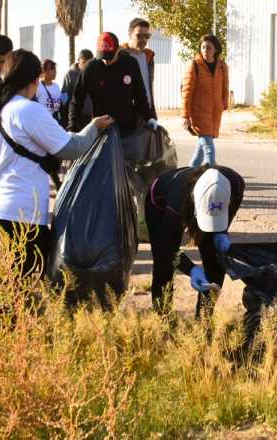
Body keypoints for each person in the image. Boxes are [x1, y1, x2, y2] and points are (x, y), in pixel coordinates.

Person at [0, 49, 114, 278]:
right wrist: (94, 127)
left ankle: (8, 310)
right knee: (35, 273)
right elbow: (71, 148)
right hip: (20, 211)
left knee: (29, 268)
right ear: (35, 79)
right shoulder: (27, 110)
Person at [146, 165, 244, 317]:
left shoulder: (236, 185)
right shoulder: (177, 198)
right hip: (159, 204)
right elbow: (167, 247)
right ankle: (162, 317)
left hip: (198, 204)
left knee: (216, 260)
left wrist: (221, 234)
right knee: (163, 263)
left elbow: (223, 219)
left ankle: (204, 321)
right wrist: (191, 269)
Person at [68, 32, 155, 136]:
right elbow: (77, 100)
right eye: (103, 57)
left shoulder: (130, 64)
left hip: (127, 130)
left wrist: (149, 118)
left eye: (110, 57)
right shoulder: (90, 68)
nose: (106, 61)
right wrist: (72, 128)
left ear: (118, 49)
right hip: (102, 129)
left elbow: (140, 95)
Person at [182, 34, 229, 167]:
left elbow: (225, 87)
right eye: (202, 48)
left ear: (216, 50)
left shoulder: (222, 66)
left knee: (200, 151)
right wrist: (186, 115)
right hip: (199, 112)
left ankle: (189, 176)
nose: (205, 51)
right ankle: (213, 176)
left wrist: (224, 104)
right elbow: (187, 92)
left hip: (215, 112)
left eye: (208, 48)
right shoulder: (195, 65)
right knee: (209, 150)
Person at [121, 18, 158, 120]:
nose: (143, 39)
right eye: (139, 35)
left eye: (147, 36)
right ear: (130, 34)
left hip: (147, 112)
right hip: (126, 113)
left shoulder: (149, 56)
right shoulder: (119, 56)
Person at [61, 48, 93, 123]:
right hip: (76, 116)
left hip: (91, 116)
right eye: (84, 62)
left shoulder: (93, 73)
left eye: (89, 63)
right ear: (78, 60)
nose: (86, 65)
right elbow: (64, 96)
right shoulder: (70, 74)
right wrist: (64, 116)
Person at [35, 59, 64, 126]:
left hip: (54, 121)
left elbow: (60, 103)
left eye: (55, 69)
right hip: (42, 122)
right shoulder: (38, 87)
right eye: (52, 69)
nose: (55, 72)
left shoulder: (57, 87)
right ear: (43, 71)